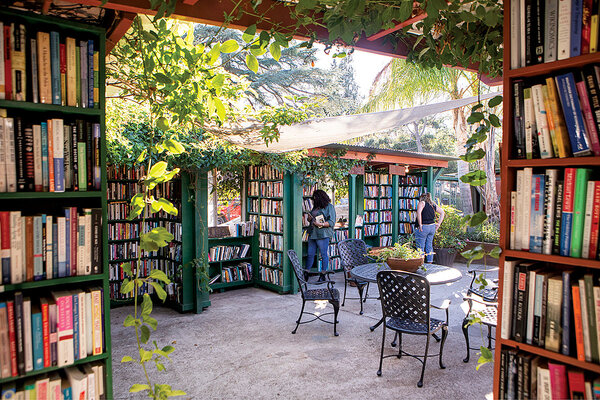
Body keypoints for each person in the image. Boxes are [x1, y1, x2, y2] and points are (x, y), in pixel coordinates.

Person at [305, 189, 336, 278]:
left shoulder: (329, 207)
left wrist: (321, 224)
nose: (314, 200)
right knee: (310, 254)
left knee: (323, 254)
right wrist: (309, 219)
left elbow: (332, 222)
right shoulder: (316, 207)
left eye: (315, 198)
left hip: (323, 234)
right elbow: (311, 218)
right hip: (313, 233)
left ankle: (323, 274)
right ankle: (306, 273)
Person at [415, 192, 445, 263]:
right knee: (429, 245)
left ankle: (420, 263)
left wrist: (420, 224)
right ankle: (430, 262)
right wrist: (438, 224)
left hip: (424, 227)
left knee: (420, 246)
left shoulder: (422, 203)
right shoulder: (433, 204)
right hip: (432, 227)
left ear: (421, 197)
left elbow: (419, 213)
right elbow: (442, 212)